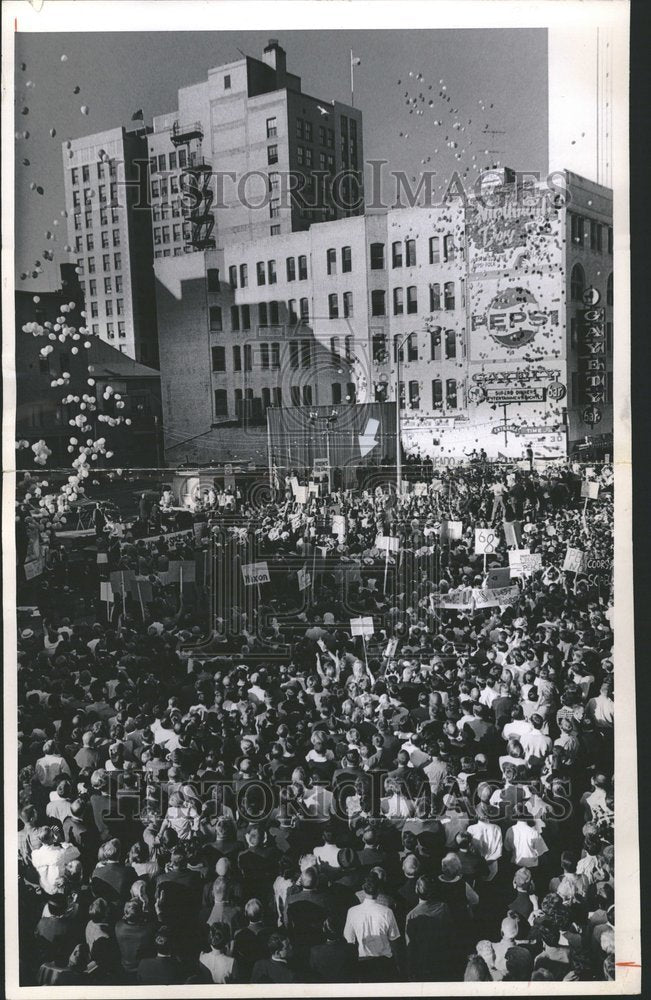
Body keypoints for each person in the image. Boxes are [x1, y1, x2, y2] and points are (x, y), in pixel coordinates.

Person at [343, 873, 400, 981]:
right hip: (385, 963)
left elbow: (349, 940)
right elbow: (394, 939)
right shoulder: (387, 912)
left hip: (363, 963)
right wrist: (397, 963)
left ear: (363, 890)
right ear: (378, 890)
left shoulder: (352, 912)